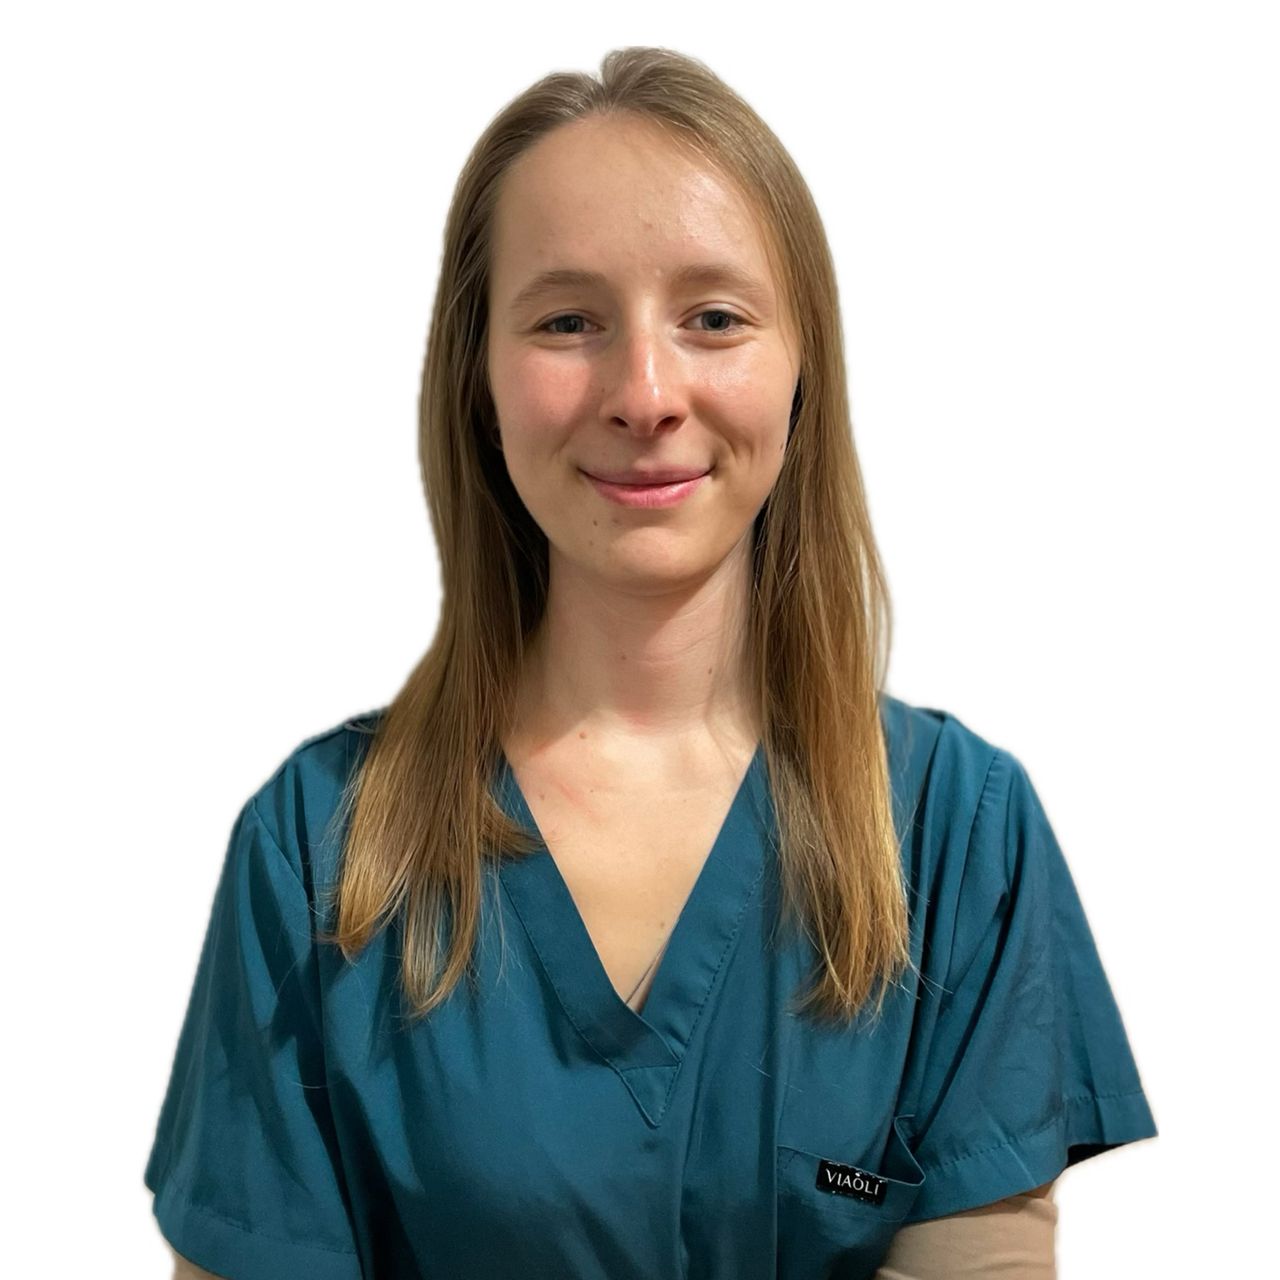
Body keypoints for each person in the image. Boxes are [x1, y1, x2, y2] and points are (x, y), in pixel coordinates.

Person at [145, 46, 1156, 1280]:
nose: (644, 391)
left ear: (801, 369)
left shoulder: (956, 831)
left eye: (713, 318)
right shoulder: (316, 852)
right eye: (567, 320)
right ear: (478, 377)